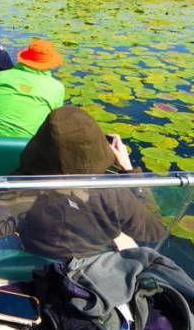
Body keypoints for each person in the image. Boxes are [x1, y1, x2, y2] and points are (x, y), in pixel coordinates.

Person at [14, 106, 167, 259]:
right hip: (88, 268)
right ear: (98, 147)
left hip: (35, 264)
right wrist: (130, 172)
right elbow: (155, 231)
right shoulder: (112, 194)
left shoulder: (18, 185)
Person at [0, 39, 65, 137]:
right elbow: (55, 124)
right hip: (28, 147)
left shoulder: (1, 76)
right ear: (50, 63)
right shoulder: (57, 88)